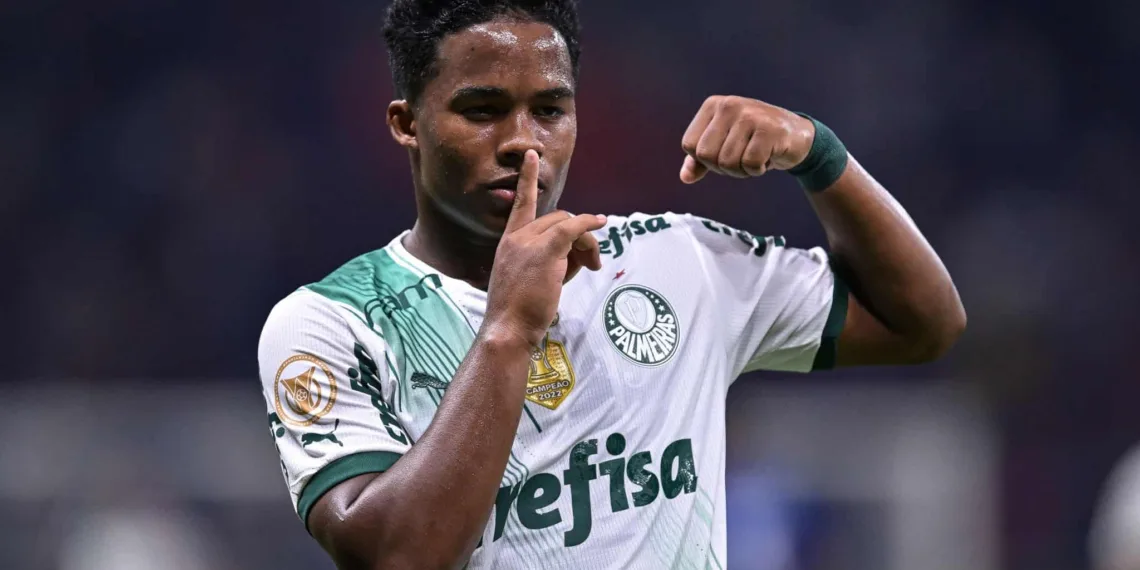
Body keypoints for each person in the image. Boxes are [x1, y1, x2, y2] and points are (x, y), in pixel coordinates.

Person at [256, 0, 966, 568]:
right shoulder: (331, 323)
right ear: (407, 124)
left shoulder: (674, 261)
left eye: (549, 110)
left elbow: (922, 323)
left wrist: (818, 154)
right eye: (482, 110)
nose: (522, 140)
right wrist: (508, 329)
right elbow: (395, 558)